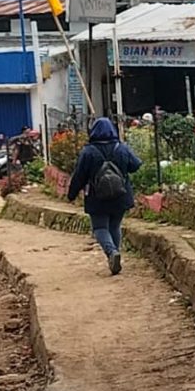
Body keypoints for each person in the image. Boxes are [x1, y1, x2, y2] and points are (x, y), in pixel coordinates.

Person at [67, 117, 142, 275]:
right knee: (115, 226)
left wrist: (71, 194)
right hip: (120, 195)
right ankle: (115, 254)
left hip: (97, 197)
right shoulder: (121, 148)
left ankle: (111, 253)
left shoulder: (88, 152)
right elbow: (136, 165)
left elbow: (79, 176)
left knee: (100, 227)